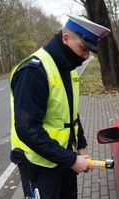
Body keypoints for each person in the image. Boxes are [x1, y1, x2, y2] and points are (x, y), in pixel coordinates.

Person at [9, 14, 111, 199]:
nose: (86, 56)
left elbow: (71, 113)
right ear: (66, 38)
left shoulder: (67, 68)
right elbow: (27, 129)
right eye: (83, 48)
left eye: (90, 51)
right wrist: (71, 160)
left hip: (63, 159)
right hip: (40, 167)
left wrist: (81, 147)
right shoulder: (34, 71)